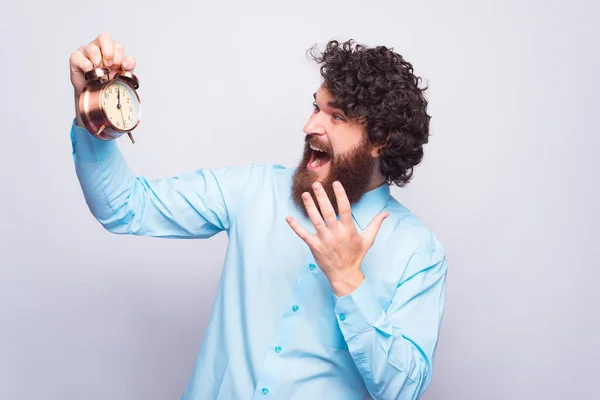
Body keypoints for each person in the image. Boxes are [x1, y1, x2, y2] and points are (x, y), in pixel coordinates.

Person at [69, 32, 448, 400]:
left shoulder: (418, 252)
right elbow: (124, 206)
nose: (310, 126)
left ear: (380, 140)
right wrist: (95, 104)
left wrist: (350, 281)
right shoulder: (256, 189)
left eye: (336, 117)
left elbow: (403, 389)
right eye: (317, 107)